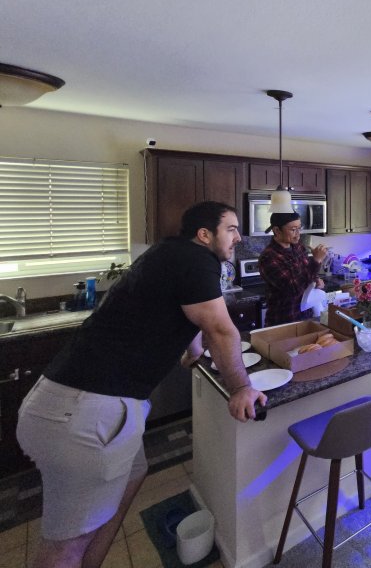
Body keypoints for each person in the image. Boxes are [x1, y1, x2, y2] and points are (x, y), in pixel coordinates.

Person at [16, 201, 266, 568]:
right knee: (65, 547)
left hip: (78, 406)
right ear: (204, 235)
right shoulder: (198, 260)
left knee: (134, 473)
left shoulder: (168, 254)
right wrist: (241, 388)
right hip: (87, 411)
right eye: (231, 229)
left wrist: (193, 350)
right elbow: (219, 327)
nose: (238, 237)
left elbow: (188, 313)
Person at [259, 211, 328, 326]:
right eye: (293, 230)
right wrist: (316, 260)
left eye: (299, 228)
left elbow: (305, 273)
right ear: (277, 230)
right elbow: (293, 287)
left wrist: (316, 280)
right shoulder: (269, 257)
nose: (298, 234)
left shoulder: (298, 247)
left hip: (306, 316)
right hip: (284, 321)